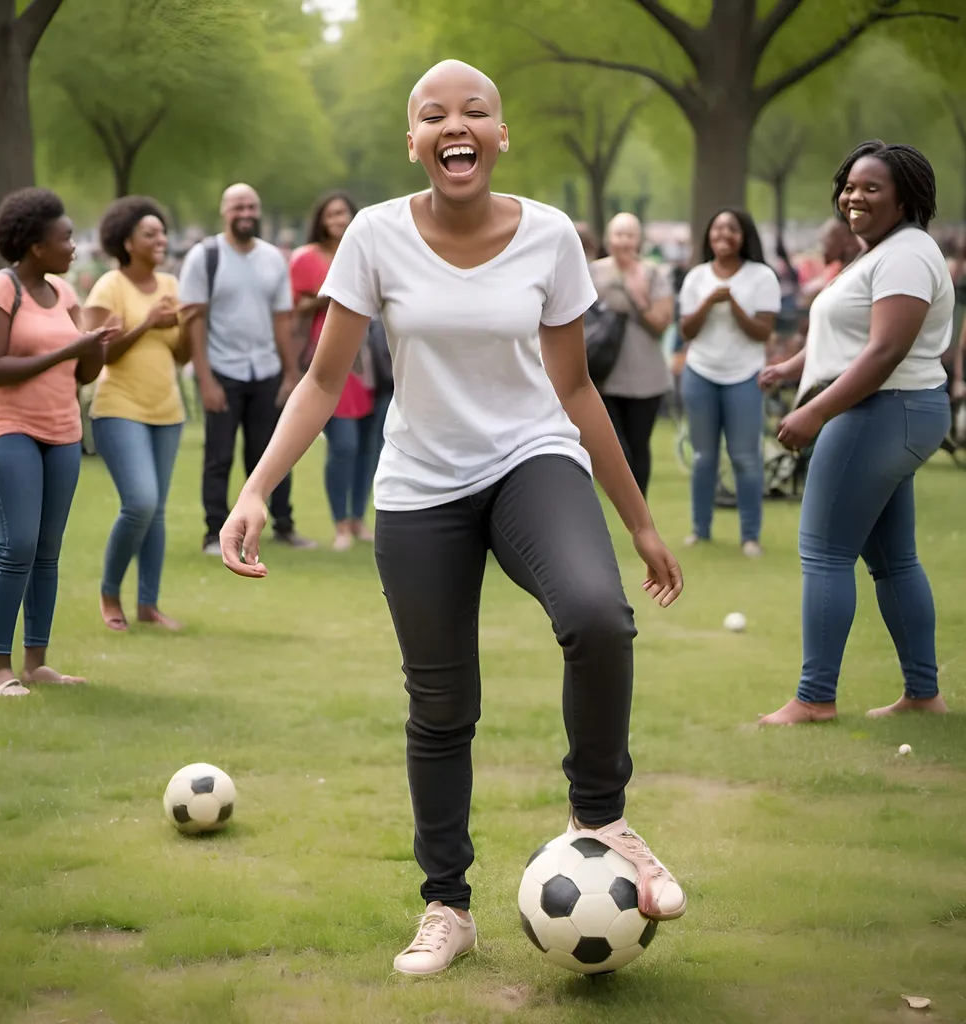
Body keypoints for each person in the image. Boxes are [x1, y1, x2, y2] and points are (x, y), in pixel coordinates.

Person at [218, 58, 686, 977]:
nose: (454, 125)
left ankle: (603, 817)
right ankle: (448, 906)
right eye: (434, 115)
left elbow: (577, 387)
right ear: (414, 142)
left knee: (596, 614)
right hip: (421, 484)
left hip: (530, 458)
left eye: (474, 112)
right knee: (441, 705)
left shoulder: (550, 236)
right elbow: (321, 379)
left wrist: (636, 520)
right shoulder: (376, 238)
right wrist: (255, 489)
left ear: (500, 136)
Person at [757, 141, 953, 726]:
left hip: (881, 412)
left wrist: (815, 412)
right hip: (896, 413)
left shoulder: (906, 256)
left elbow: (887, 350)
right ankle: (923, 693)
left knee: (823, 553)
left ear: (904, 197)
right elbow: (851, 338)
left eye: (871, 187)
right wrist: (793, 370)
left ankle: (815, 698)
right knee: (894, 560)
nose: (853, 197)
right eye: (849, 186)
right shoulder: (885, 253)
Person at [0, 187, 115, 696]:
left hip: (63, 432)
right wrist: (69, 349)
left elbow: (84, 369)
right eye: (66, 237)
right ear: (35, 245)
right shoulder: (0, 289)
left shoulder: (66, 295)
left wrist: (95, 347)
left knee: (47, 551)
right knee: (18, 546)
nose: (74, 246)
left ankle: (36, 662)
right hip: (6, 431)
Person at [178, 183, 316, 555]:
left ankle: (284, 525)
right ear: (224, 211)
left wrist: (291, 374)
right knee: (219, 456)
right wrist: (204, 379)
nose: (245, 214)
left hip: (267, 371)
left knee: (275, 453)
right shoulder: (204, 257)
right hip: (222, 371)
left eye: (251, 207)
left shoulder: (272, 258)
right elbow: (195, 322)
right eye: (238, 207)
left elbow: (282, 321)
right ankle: (213, 533)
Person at [83, 196, 189, 632]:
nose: (160, 239)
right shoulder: (110, 286)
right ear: (127, 242)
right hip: (118, 408)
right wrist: (147, 323)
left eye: (162, 232)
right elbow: (100, 354)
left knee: (158, 510)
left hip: (167, 409)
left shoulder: (170, 285)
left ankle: (148, 604)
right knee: (140, 502)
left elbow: (180, 354)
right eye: (150, 233)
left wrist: (191, 324)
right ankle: (110, 593)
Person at [678, 209, 780, 556]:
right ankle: (699, 530)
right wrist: (709, 301)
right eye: (717, 228)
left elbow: (762, 332)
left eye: (732, 229)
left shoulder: (762, 277)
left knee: (745, 458)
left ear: (744, 236)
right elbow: (686, 330)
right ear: (708, 235)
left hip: (744, 376)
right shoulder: (696, 277)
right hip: (701, 373)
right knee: (704, 456)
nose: (724, 234)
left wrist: (733, 303)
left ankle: (750, 536)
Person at [290, 192, 377, 550]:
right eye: (331, 214)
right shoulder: (306, 258)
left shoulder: (369, 251)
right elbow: (298, 307)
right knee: (343, 445)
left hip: (371, 361)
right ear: (320, 220)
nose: (338, 219)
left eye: (344, 213)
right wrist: (337, 293)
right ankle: (339, 522)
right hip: (329, 358)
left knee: (369, 447)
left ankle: (358, 519)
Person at [589, 212, 674, 498]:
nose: (624, 240)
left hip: (644, 377)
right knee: (615, 448)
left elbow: (662, 324)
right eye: (618, 233)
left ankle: (640, 509)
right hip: (603, 374)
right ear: (608, 238)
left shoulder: (654, 273)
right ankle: (620, 501)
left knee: (638, 446)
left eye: (630, 234)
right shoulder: (592, 272)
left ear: (639, 240)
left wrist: (638, 297)